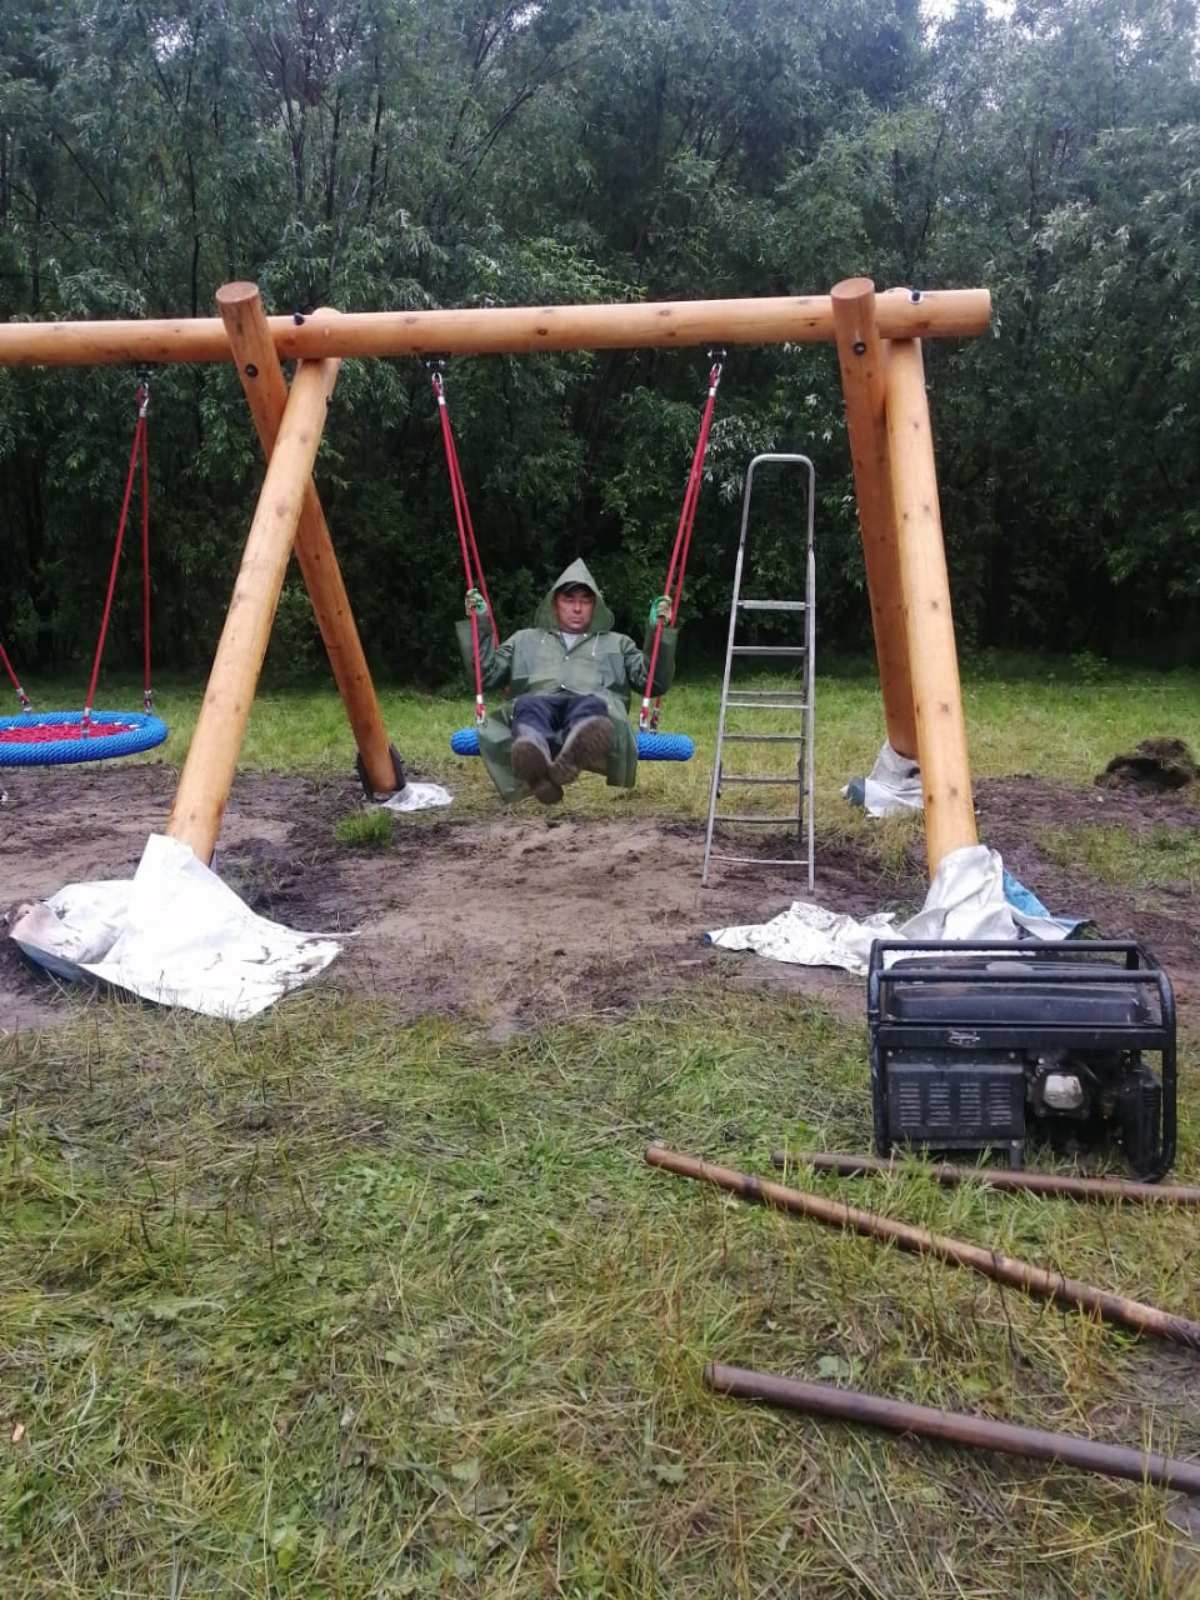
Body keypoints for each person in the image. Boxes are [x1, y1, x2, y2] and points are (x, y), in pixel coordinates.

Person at [456, 558, 677, 805]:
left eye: (585, 600)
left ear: (596, 605)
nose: (577, 608)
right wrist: (480, 623)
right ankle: (536, 754)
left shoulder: (617, 643)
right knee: (528, 704)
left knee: (591, 704)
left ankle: (566, 752)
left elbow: (652, 683)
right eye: (569, 600)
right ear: (554, 604)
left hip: (591, 706)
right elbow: (484, 676)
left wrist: (658, 631)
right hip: (539, 705)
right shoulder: (525, 639)